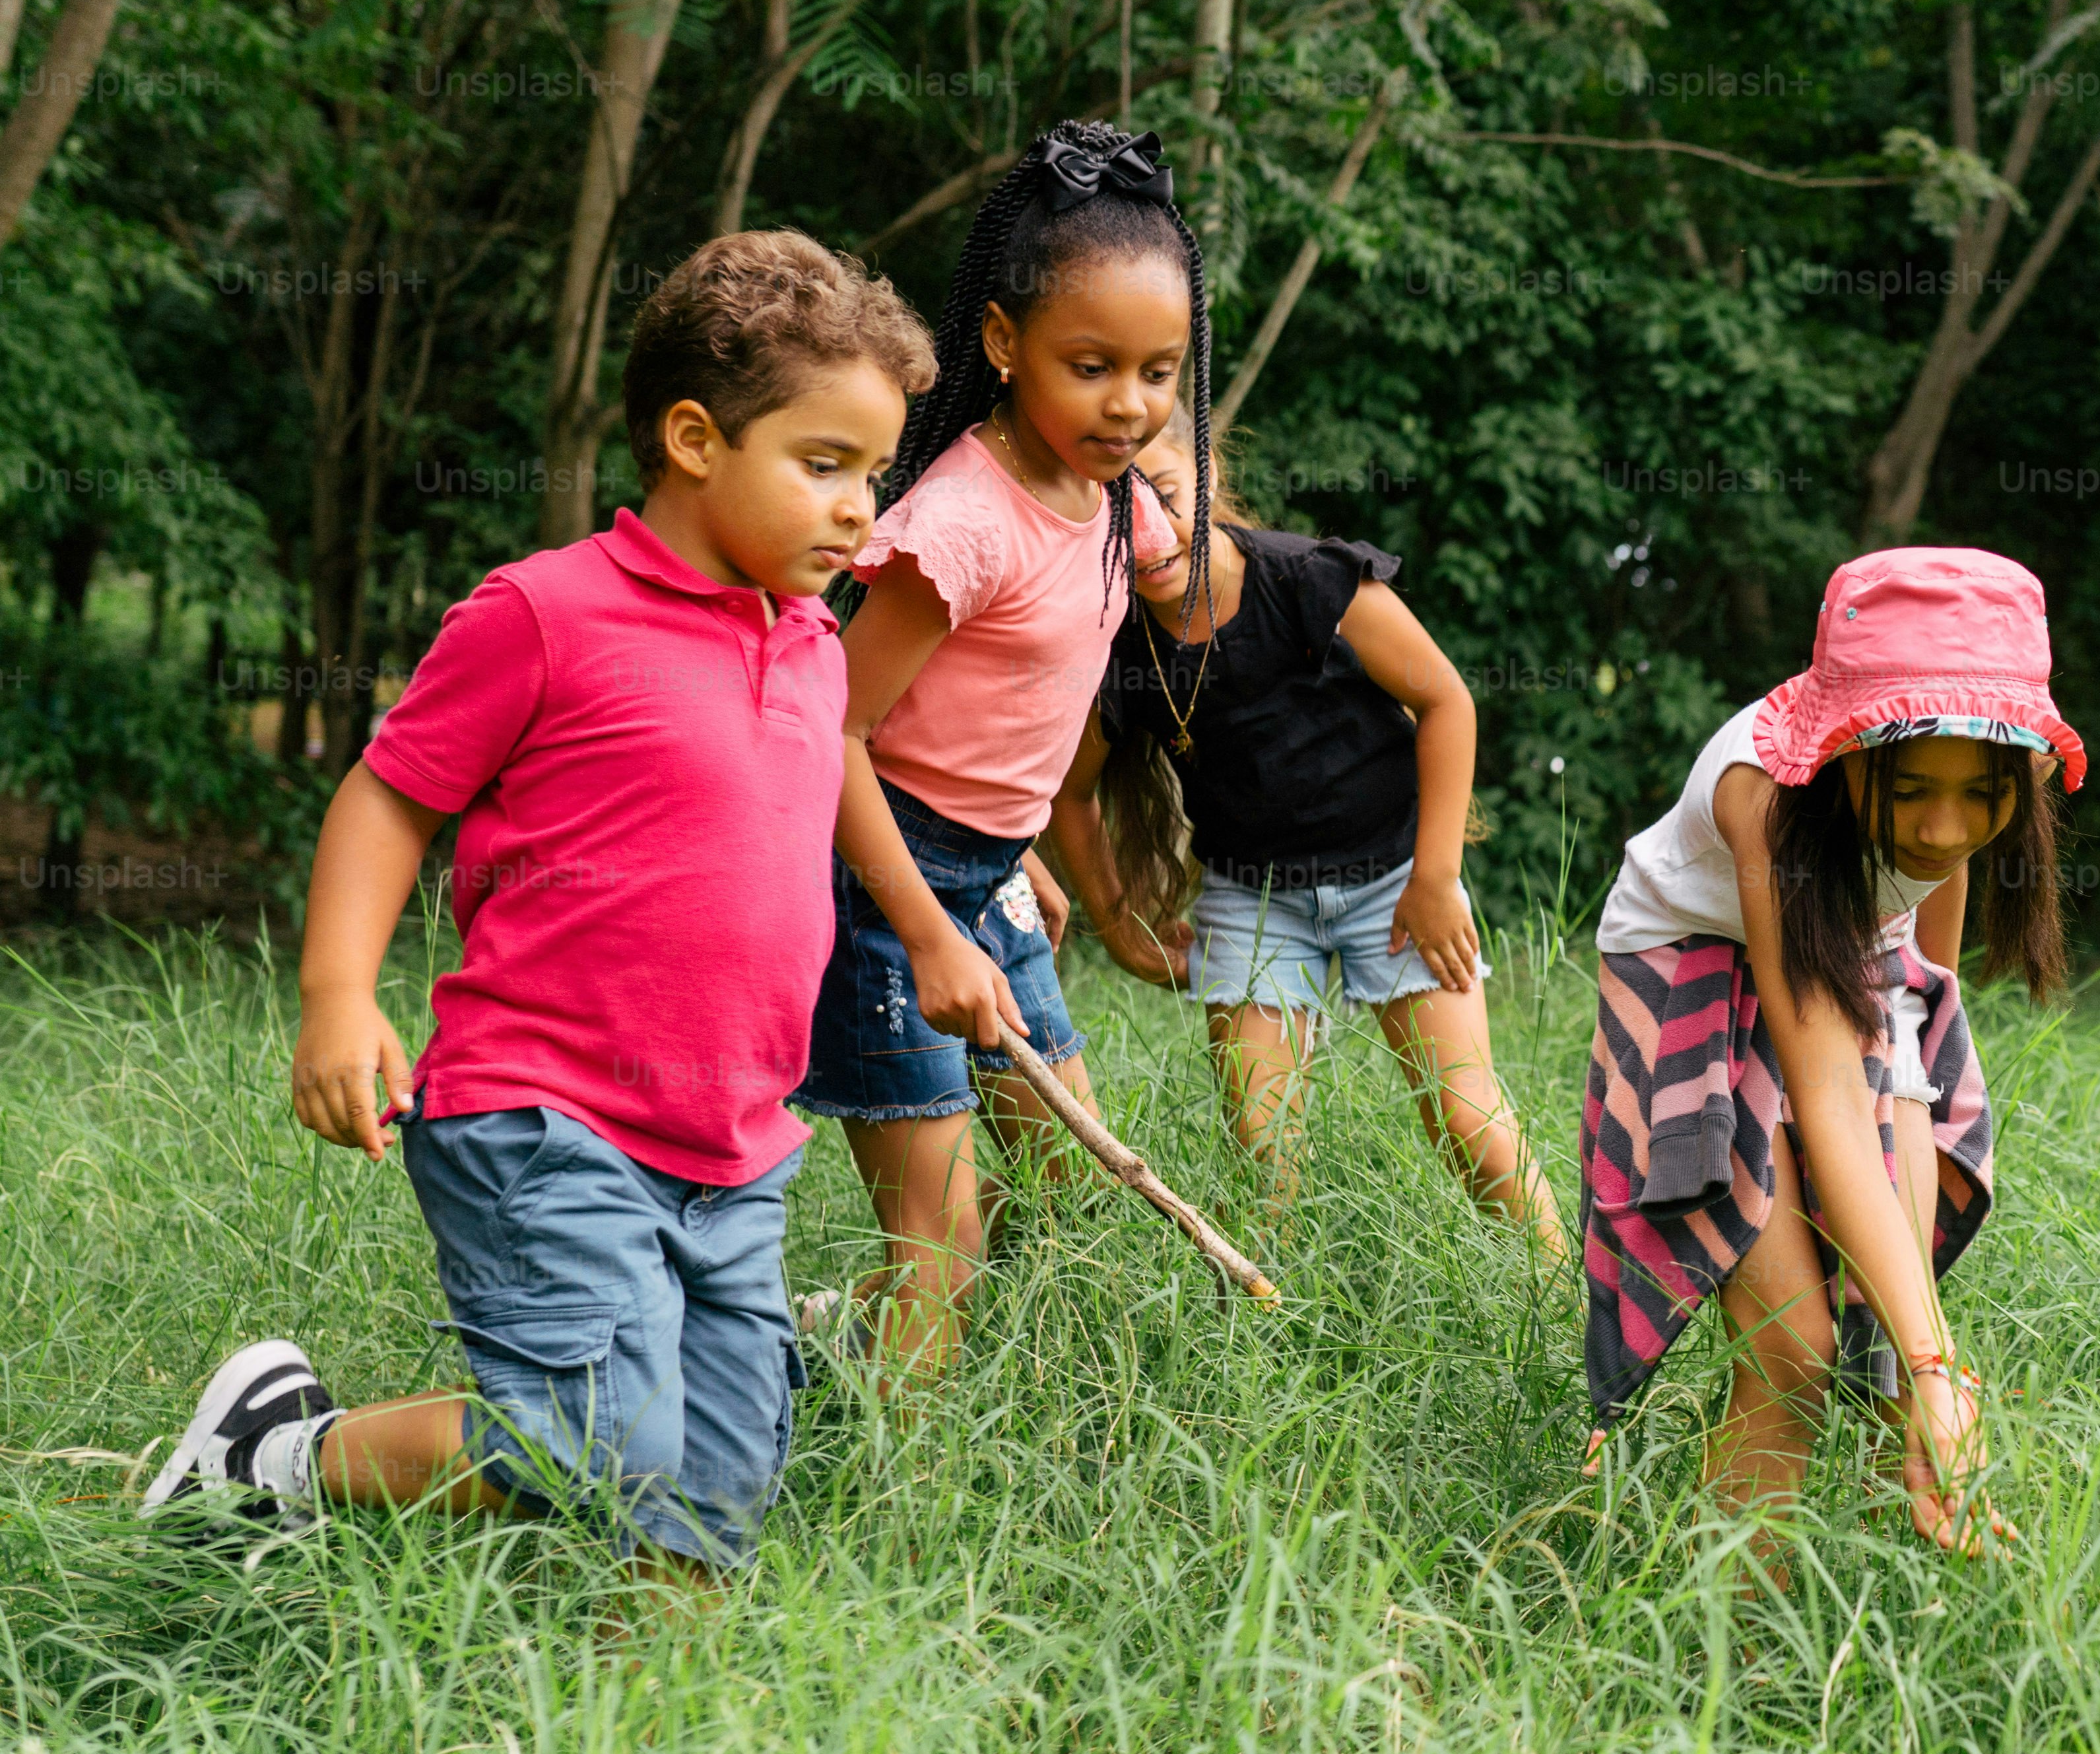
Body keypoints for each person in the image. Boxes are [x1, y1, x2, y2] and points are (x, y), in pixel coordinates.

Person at [141, 234, 935, 1581]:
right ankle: (271, 1453)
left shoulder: (808, 644)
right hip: (544, 1109)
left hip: (736, 1144)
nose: (862, 508)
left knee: (717, 1487)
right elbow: (390, 796)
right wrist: (338, 996)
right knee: (593, 1440)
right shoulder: (549, 613)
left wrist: (938, 921)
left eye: (875, 473)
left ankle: (645, 1750)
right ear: (694, 437)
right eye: (824, 464)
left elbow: (827, 793)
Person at [799, 120, 1208, 1392]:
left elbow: (1137, 615)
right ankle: (903, 1532)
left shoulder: (1117, 497)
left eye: (1160, 371)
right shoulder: (957, 528)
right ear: (1001, 344)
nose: (1131, 405)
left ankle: (835, 1343)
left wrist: (1018, 850)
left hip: (985, 878)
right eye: (1092, 368)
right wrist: (927, 927)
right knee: (945, 1247)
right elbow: (838, 734)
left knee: (1068, 1184)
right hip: (883, 887)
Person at [1577, 547, 2078, 1555]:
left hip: (1843, 973)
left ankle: (1923, 1443)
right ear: (1848, 751)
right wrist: (1935, 1371)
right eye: (1910, 792)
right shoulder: (1767, 796)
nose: (1945, 830)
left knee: (1883, 1330)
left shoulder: (1958, 815)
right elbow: (1830, 1099)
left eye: (1983, 794)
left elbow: (1903, 1029)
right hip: (1690, 977)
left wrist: (1920, 1365)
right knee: (1792, 1351)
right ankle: (1731, 1665)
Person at [1047, 430, 1565, 1258]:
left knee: (1465, 1117)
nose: (1147, 529)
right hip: (1252, 902)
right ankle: (1275, 1326)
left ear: (1211, 478)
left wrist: (1434, 880)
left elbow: (1447, 703)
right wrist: (1118, 927)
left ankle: (1565, 1294)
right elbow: (1071, 794)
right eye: (1114, 508)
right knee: (1262, 1145)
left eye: (1169, 495)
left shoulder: (1309, 581)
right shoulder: (1114, 648)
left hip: (1395, 883)